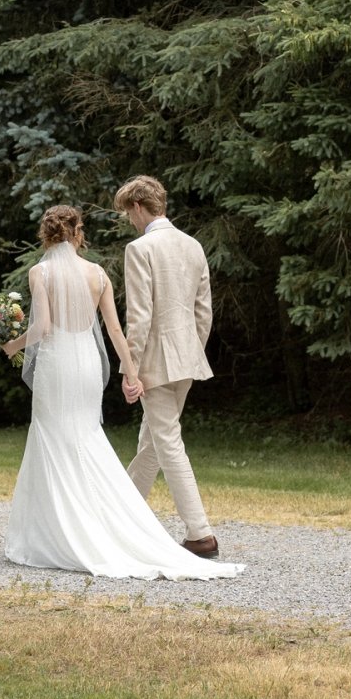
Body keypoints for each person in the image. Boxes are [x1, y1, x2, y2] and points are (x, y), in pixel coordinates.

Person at [1, 204, 243, 581]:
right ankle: (103, 522)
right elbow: (115, 332)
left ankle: (58, 532)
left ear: (45, 234)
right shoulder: (97, 274)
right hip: (86, 364)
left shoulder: (40, 272)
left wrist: (13, 345)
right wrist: (131, 374)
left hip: (57, 364)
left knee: (52, 437)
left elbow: (44, 326)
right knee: (86, 436)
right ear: (78, 232)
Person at [113, 175, 221, 558]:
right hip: (188, 359)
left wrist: (131, 370)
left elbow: (139, 318)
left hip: (156, 363)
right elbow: (203, 312)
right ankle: (123, 517)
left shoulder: (139, 248)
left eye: (128, 212)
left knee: (167, 442)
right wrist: (191, 351)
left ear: (138, 207)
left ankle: (200, 534)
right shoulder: (193, 246)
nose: (129, 220)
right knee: (153, 443)